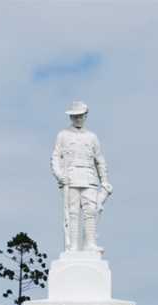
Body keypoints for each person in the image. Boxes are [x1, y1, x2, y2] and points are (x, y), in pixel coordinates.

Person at [50, 101, 113, 252]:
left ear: (85, 116)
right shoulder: (63, 135)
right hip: (70, 179)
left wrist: (104, 180)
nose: (78, 119)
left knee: (91, 210)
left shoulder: (92, 137)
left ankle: (90, 244)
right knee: (73, 213)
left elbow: (99, 160)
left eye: (80, 116)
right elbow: (55, 157)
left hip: (89, 178)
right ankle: (73, 246)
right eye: (75, 116)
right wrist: (59, 175)